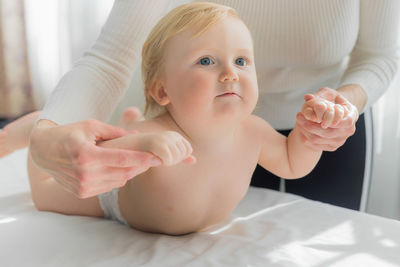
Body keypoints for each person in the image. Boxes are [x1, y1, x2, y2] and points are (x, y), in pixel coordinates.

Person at [0, 2, 352, 235]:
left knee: (126, 124)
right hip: (114, 201)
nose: (230, 73)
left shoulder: (254, 132)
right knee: (45, 194)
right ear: (162, 91)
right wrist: (143, 143)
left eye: (242, 61)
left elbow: (293, 163)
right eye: (206, 61)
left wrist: (308, 137)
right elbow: (105, 152)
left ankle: (124, 116)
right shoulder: (156, 132)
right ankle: (33, 126)